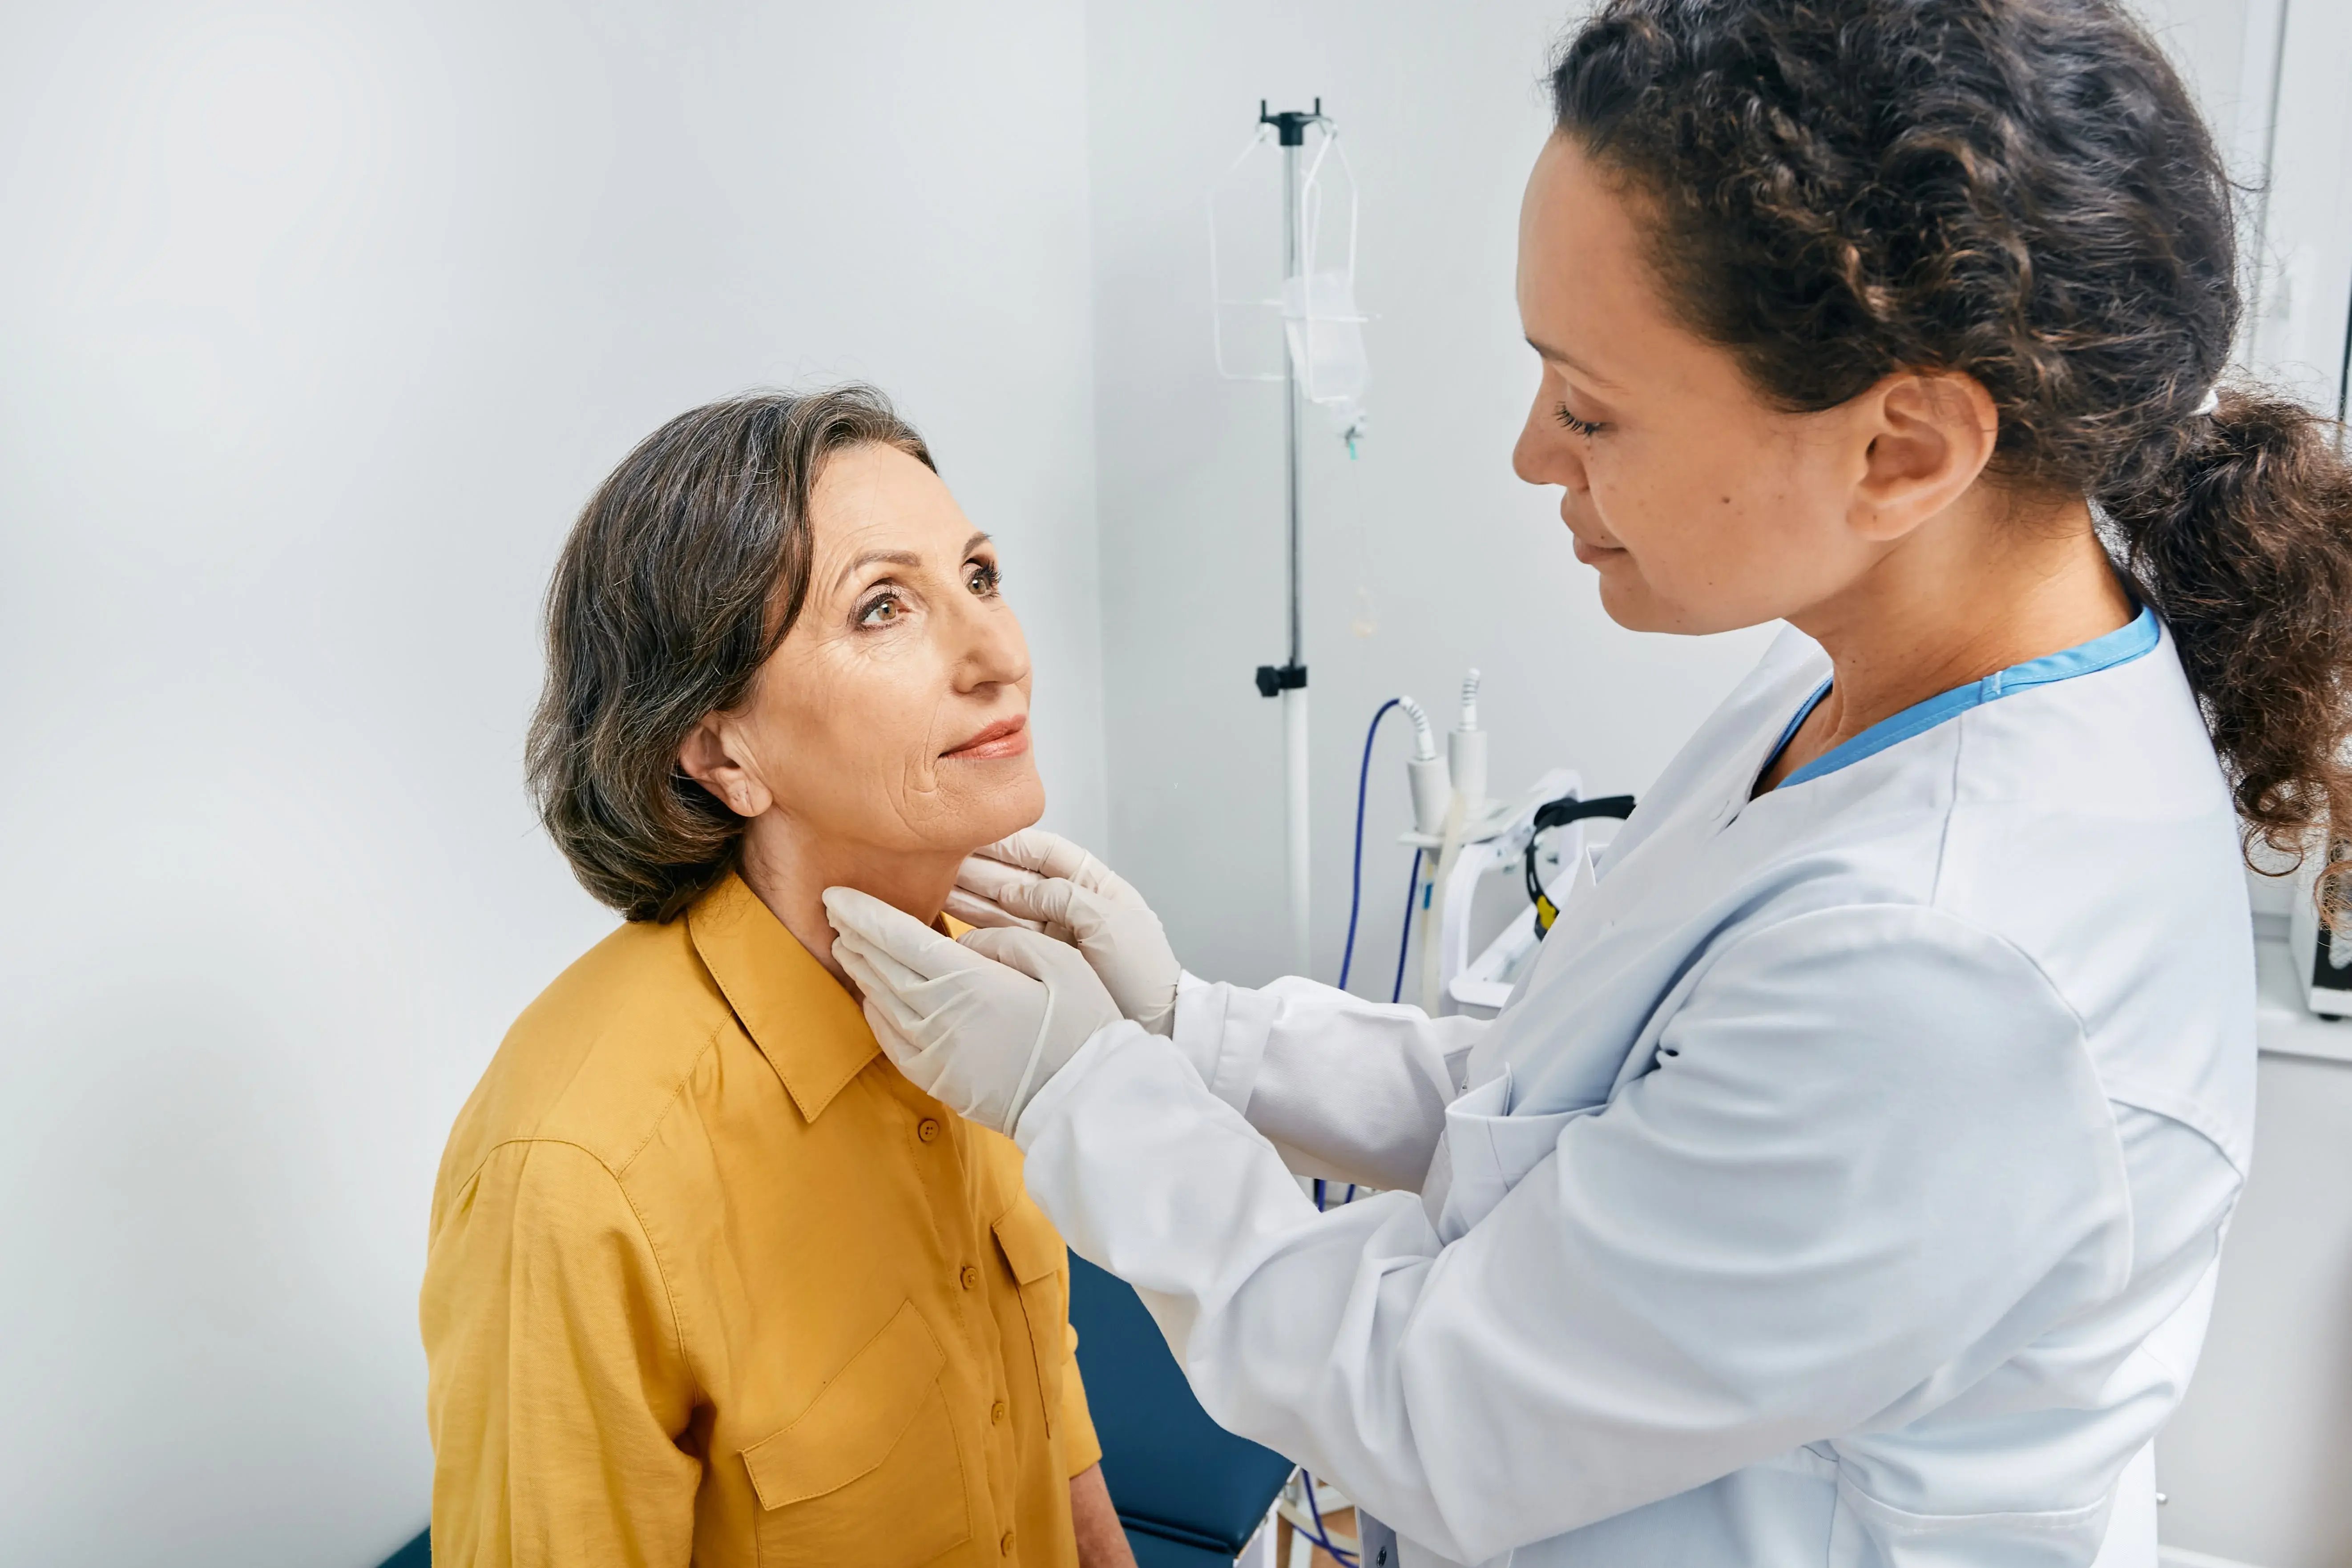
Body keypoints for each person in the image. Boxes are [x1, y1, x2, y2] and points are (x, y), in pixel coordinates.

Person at [822, 3, 2352, 1565]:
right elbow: (1562, 1104)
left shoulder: (1955, 967)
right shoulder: (1853, 679)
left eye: (1591, 402)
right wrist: (1191, 1033)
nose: (1531, 453)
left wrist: (1086, 1093)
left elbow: (1432, 1408)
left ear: (1902, 450)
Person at [419, 386, 1135, 1568]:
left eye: (982, 576)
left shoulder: (969, 999)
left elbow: (1041, 1399)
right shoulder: (578, 1176)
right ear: (719, 750)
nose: (1000, 655)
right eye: (883, 608)